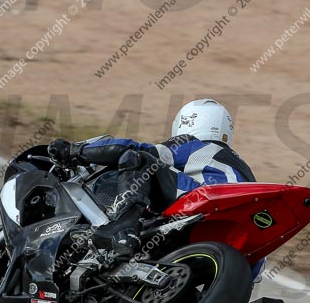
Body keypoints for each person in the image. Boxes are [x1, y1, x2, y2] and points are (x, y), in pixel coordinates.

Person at [47, 99, 256, 256]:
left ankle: (125, 226)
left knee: (139, 159)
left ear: (186, 123)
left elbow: (134, 150)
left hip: (203, 201)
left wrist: (76, 151)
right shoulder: (244, 168)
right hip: (238, 234)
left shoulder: (191, 144)